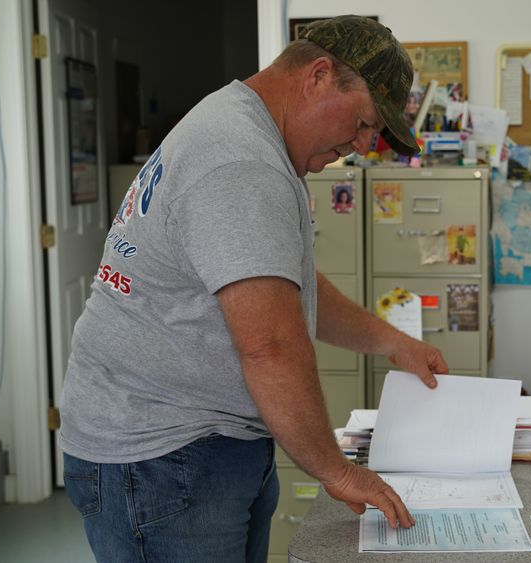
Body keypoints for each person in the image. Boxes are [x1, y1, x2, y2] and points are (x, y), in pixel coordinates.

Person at [58, 15, 448, 563]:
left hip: (190, 443)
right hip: (161, 455)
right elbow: (270, 344)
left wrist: (393, 342)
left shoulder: (241, 128)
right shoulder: (239, 159)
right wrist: (336, 471)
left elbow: (277, 286)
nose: (361, 145)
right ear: (317, 76)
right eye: (363, 122)